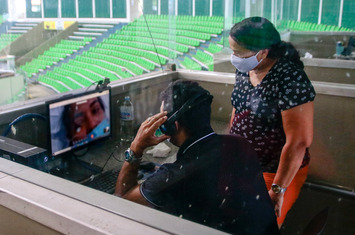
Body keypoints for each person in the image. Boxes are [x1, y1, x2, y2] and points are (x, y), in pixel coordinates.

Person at [115, 80, 280, 234]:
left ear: (174, 125)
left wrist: (136, 148)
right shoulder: (239, 143)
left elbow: (122, 202)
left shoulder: (174, 178)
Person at [228, 17, 316, 227]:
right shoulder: (243, 70)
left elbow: (298, 142)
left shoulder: (290, 78)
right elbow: (237, 112)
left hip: (275, 171)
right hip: (244, 165)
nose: (234, 57)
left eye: (239, 52)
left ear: (263, 51)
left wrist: (277, 190)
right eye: (233, 51)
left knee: (261, 225)